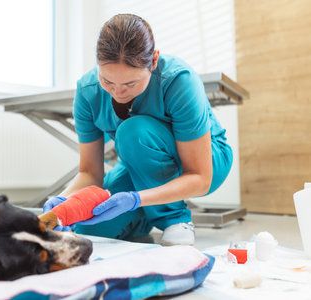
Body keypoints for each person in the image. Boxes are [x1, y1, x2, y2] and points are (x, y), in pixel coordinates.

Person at [43, 13, 233, 246]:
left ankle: (174, 219)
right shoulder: (87, 90)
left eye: (130, 83)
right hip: (141, 164)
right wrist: (63, 199)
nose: (118, 92)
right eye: (108, 81)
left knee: (133, 132)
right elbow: (90, 173)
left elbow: (199, 177)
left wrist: (135, 199)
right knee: (88, 227)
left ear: (153, 61)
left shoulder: (179, 80)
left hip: (206, 162)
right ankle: (144, 216)